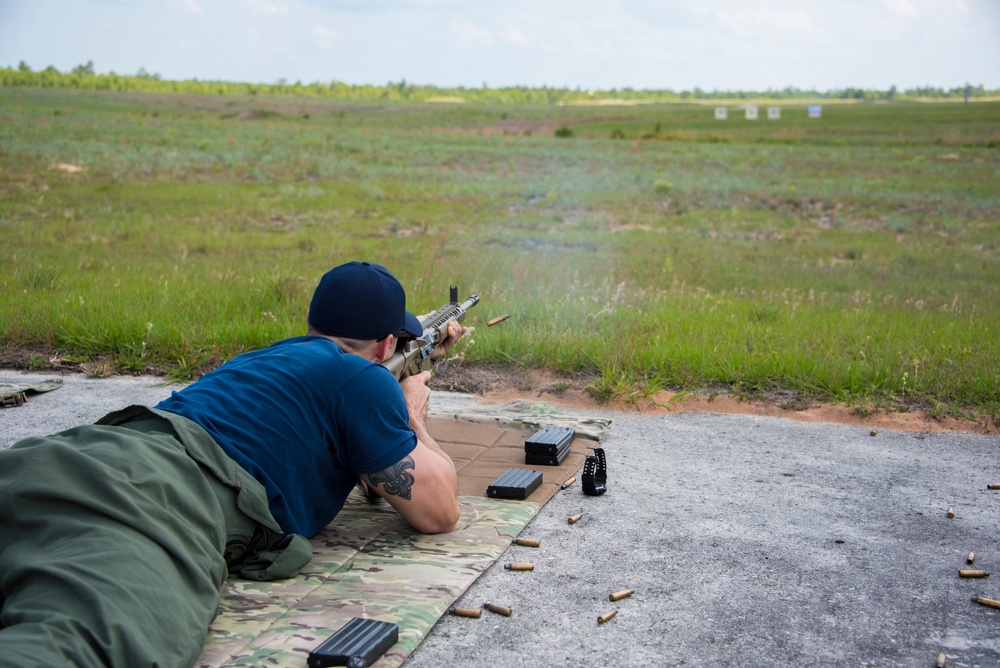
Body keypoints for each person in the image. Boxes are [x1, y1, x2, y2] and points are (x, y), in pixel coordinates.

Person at [0, 261, 466, 668]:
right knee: (80, 644)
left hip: (64, 455)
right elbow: (438, 511)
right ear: (386, 346)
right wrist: (411, 417)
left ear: (310, 322)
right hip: (154, 499)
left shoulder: (264, 359)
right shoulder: (363, 378)